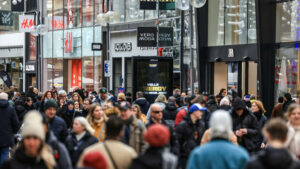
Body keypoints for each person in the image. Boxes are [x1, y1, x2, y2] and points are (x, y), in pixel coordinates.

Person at [175, 103, 206, 169]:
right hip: (185, 159)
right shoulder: (182, 126)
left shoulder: (201, 125)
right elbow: (177, 144)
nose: (202, 113)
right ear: (194, 112)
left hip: (198, 157)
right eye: (200, 111)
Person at [0, 93, 19, 166]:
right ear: (7, 99)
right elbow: (16, 123)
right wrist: (14, 132)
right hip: (6, 136)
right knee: (4, 153)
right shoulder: (11, 109)